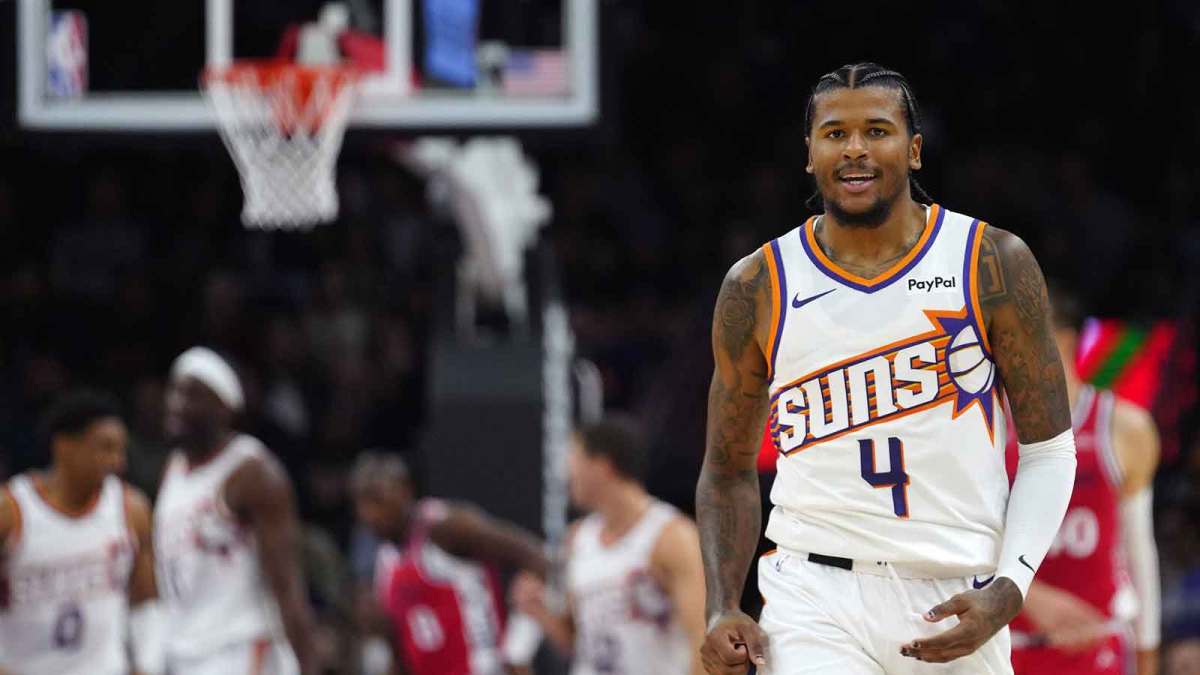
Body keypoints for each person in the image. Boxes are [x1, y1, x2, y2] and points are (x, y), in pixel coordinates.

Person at [695, 62, 1078, 674]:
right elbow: (726, 469)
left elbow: (1049, 451)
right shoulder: (757, 284)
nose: (855, 149)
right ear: (809, 154)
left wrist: (1011, 585)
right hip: (812, 590)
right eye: (835, 133)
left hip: (955, 590)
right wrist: (721, 605)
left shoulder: (990, 261)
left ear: (914, 150)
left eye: (876, 131)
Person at [1007, 285, 1161, 675]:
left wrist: (1148, 651)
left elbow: (1139, 549)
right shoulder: (985, 431)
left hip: (1100, 645)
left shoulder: (1124, 427)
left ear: (1063, 339)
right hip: (1010, 647)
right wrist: (1029, 596)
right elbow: (964, 541)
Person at [154, 347, 318, 675]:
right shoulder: (173, 469)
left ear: (224, 407)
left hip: (240, 648)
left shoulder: (253, 472)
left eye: (193, 395)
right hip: (183, 650)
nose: (177, 404)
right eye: (175, 391)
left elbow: (287, 584)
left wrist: (308, 665)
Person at [511, 415, 708, 675]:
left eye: (574, 459)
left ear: (602, 465)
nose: (567, 473)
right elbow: (580, 641)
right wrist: (539, 610)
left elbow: (701, 634)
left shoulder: (671, 537)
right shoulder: (578, 539)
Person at [0, 389, 162, 675]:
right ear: (64, 446)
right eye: (106, 448)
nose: (118, 462)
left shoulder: (130, 508)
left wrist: (147, 666)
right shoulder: (12, 511)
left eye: (120, 450)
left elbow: (145, 604)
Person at [350, 451, 550, 675]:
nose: (371, 514)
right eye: (363, 503)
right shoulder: (384, 560)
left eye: (378, 500)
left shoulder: (446, 527)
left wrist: (518, 649)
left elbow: (535, 556)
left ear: (405, 490)